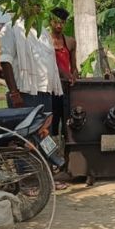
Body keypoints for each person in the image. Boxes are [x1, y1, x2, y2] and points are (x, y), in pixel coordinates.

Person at [0, 2, 69, 189]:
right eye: (31, 5)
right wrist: (14, 92)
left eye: (38, 5)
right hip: (24, 93)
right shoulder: (10, 28)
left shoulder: (43, 32)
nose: (36, 9)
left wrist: (65, 75)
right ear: (23, 7)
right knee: (25, 138)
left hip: (45, 91)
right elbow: (5, 61)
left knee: (44, 135)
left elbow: (50, 62)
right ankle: (28, 181)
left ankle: (48, 177)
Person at [49, 7, 77, 137]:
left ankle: (67, 152)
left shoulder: (70, 42)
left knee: (67, 123)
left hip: (65, 88)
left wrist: (74, 77)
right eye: (56, 22)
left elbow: (74, 67)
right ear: (50, 21)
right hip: (50, 88)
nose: (59, 25)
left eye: (62, 22)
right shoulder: (45, 41)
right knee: (51, 123)